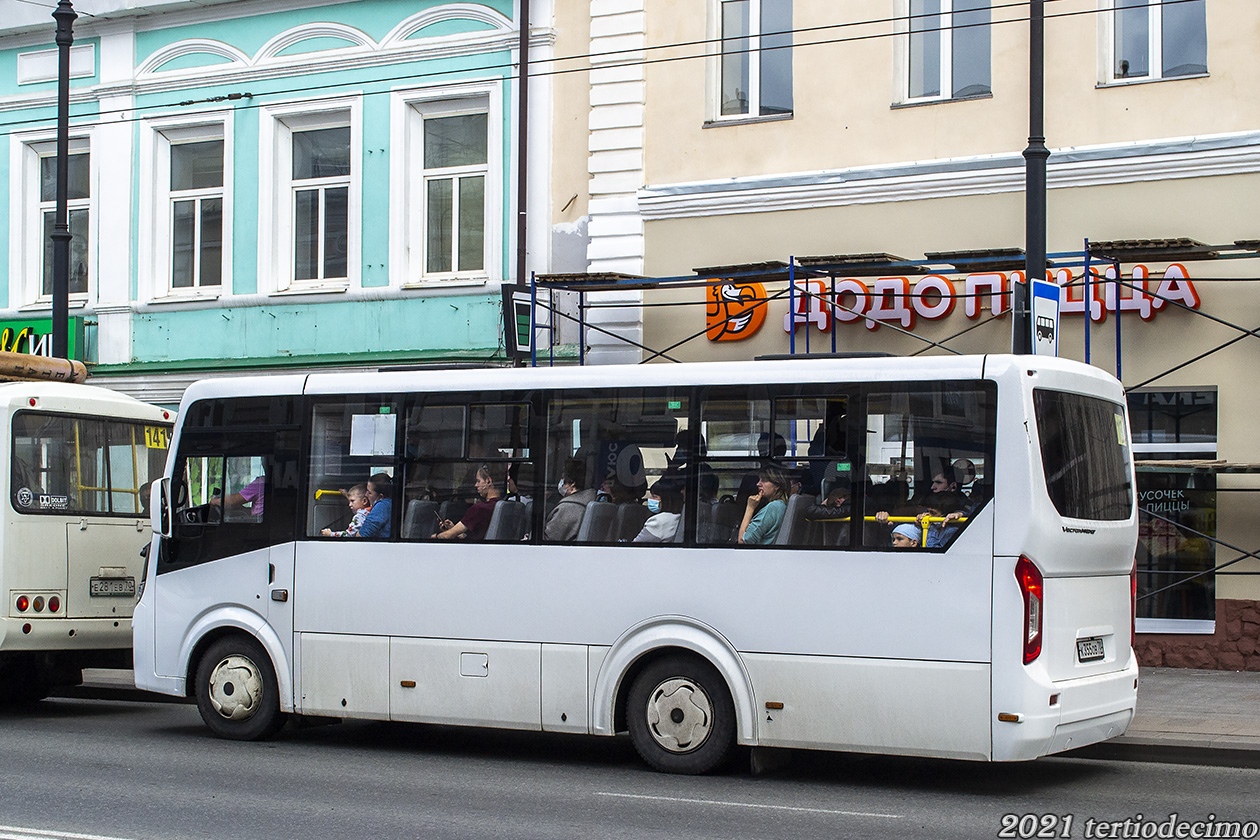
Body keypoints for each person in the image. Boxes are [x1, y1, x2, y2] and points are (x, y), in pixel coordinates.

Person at [435, 465, 501, 540]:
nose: (476, 485)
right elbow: (476, 537)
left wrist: (434, 536)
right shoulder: (501, 506)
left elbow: (447, 535)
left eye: (478, 481)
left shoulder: (479, 508)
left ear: (488, 481)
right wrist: (454, 529)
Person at [545, 459, 598, 541]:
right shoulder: (590, 500)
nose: (560, 484)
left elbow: (548, 539)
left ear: (572, 483)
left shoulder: (568, 507)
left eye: (563, 479)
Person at [738, 466, 790, 545]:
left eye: (764, 480)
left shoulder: (773, 508)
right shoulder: (782, 505)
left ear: (777, 486)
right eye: (759, 480)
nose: (758, 484)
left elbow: (743, 541)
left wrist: (750, 507)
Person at [633, 478, 683, 543]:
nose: (650, 499)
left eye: (654, 497)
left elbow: (637, 544)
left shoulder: (657, 521)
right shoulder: (681, 517)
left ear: (666, 499)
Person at [356, 473, 393, 539]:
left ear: (380, 496)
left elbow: (361, 536)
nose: (366, 495)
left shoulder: (382, 506)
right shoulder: (390, 503)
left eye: (369, 493)